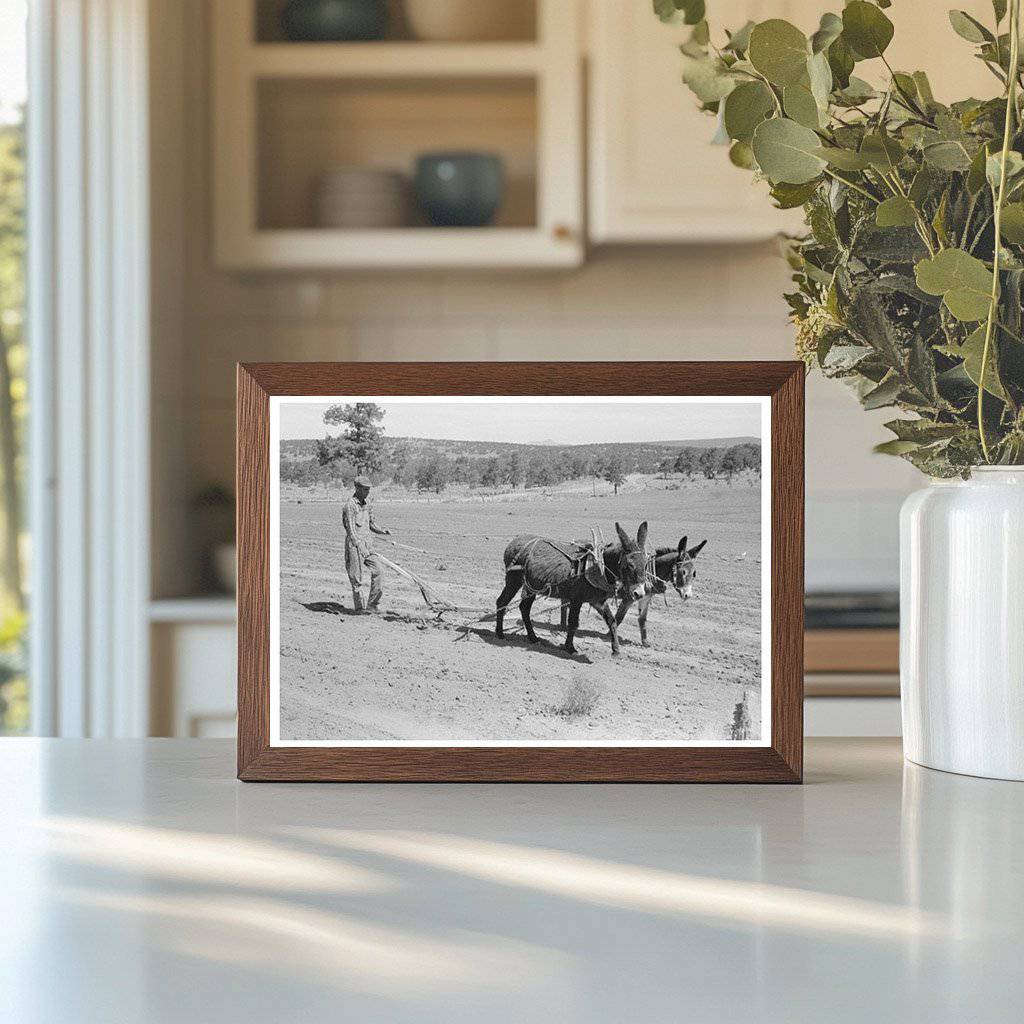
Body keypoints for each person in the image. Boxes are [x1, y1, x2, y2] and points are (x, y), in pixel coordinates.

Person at [342, 475, 392, 613]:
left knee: (379, 571)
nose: (367, 492)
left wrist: (382, 531)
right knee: (356, 579)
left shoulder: (368, 504)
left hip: (368, 544)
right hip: (355, 545)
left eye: (369, 489)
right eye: (365, 489)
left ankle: (372, 605)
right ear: (357, 488)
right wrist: (359, 545)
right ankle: (359, 609)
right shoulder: (350, 506)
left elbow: (371, 524)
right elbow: (351, 530)